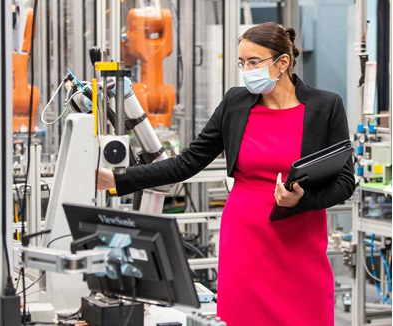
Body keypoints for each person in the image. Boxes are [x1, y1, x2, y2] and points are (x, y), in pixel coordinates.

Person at [97, 22, 355, 326]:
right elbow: (188, 162)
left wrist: (302, 200)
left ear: (282, 62)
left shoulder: (326, 106)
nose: (246, 70)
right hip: (245, 238)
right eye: (242, 62)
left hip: (301, 238)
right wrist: (118, 180)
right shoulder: (236, 103)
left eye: (254, 62)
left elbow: (345, 181)